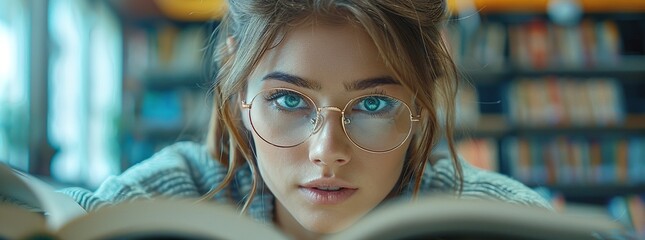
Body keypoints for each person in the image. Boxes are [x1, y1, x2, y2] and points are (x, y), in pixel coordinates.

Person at [61, 0, 551, 239]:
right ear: (237, 80)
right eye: (289, 100)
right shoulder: (189, 186)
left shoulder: (479, 213)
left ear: (422, 101)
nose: (326, 152)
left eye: (374, 104)